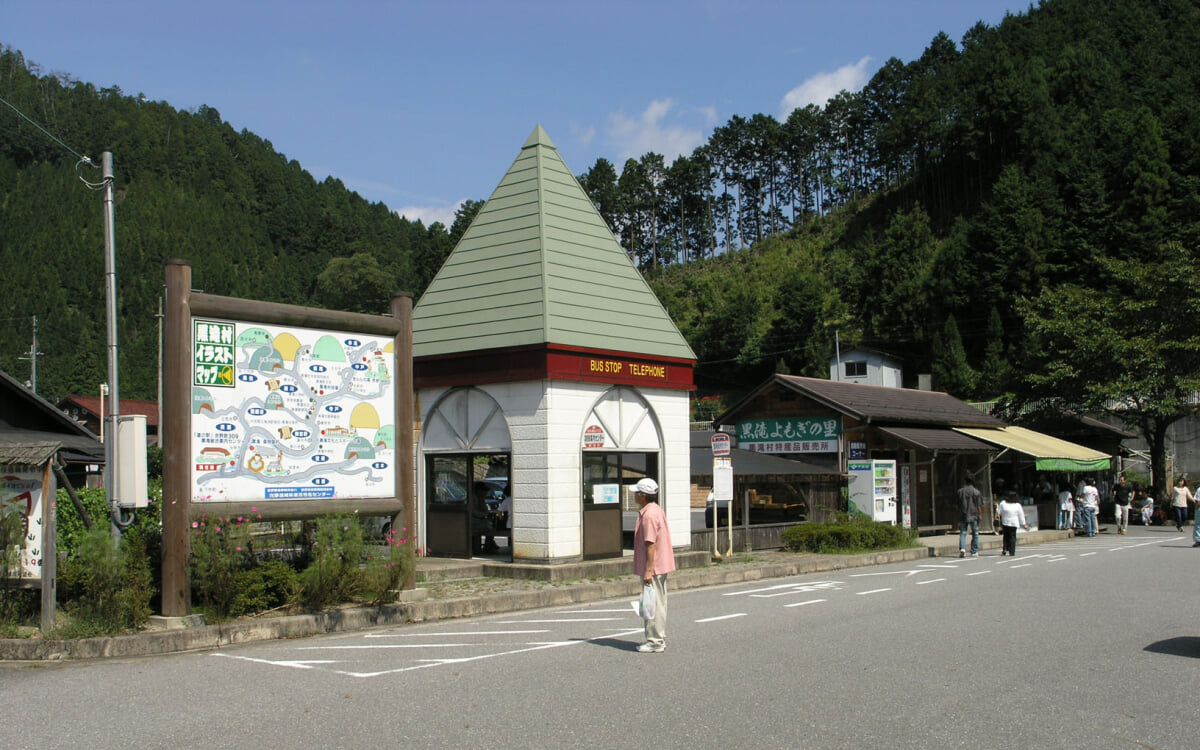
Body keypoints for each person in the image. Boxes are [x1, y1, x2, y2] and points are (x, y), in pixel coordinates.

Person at [633, 477, 675, 653]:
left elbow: (650, 543)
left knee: (653, 604)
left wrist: (648, 570)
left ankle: (655, 641)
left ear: (643, 495)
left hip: (654, 566)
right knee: (658, 602)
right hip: (661, 564)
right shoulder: (656, 510)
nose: (635, 495)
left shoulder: (648, 515)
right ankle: (659, 636)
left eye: (637, 493)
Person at [957, 475, 982, 558]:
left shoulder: (960, 491)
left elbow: (958, 504)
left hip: (963, 514)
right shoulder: (976, 492)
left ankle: (963, 548)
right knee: (975, 533)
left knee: (963, 532)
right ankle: (974, 551)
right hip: (974, 514)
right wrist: (980, 514)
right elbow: (979, 505)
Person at [997, 492, 1028, 556]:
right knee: (1013, 537)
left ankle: (1005, 548)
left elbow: (999, 512)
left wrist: (997, 507)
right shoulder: (1017, 505)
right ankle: (1012, 551)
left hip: (1005, 522)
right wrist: (1024, 523)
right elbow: (1021, 515)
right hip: (1014, 523)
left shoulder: (1003, 503)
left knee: (1006, 536)